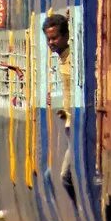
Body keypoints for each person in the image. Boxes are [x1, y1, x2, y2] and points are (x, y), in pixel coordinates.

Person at [42, 13, 75, 200]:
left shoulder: (72, 59)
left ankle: (81, 220)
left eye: (55, 38)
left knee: (64, 176)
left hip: (76, 126)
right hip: (69, 125)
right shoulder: (62, 59)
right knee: (51, 175)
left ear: (65, 36)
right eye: (48, 39)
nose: (51, 42)